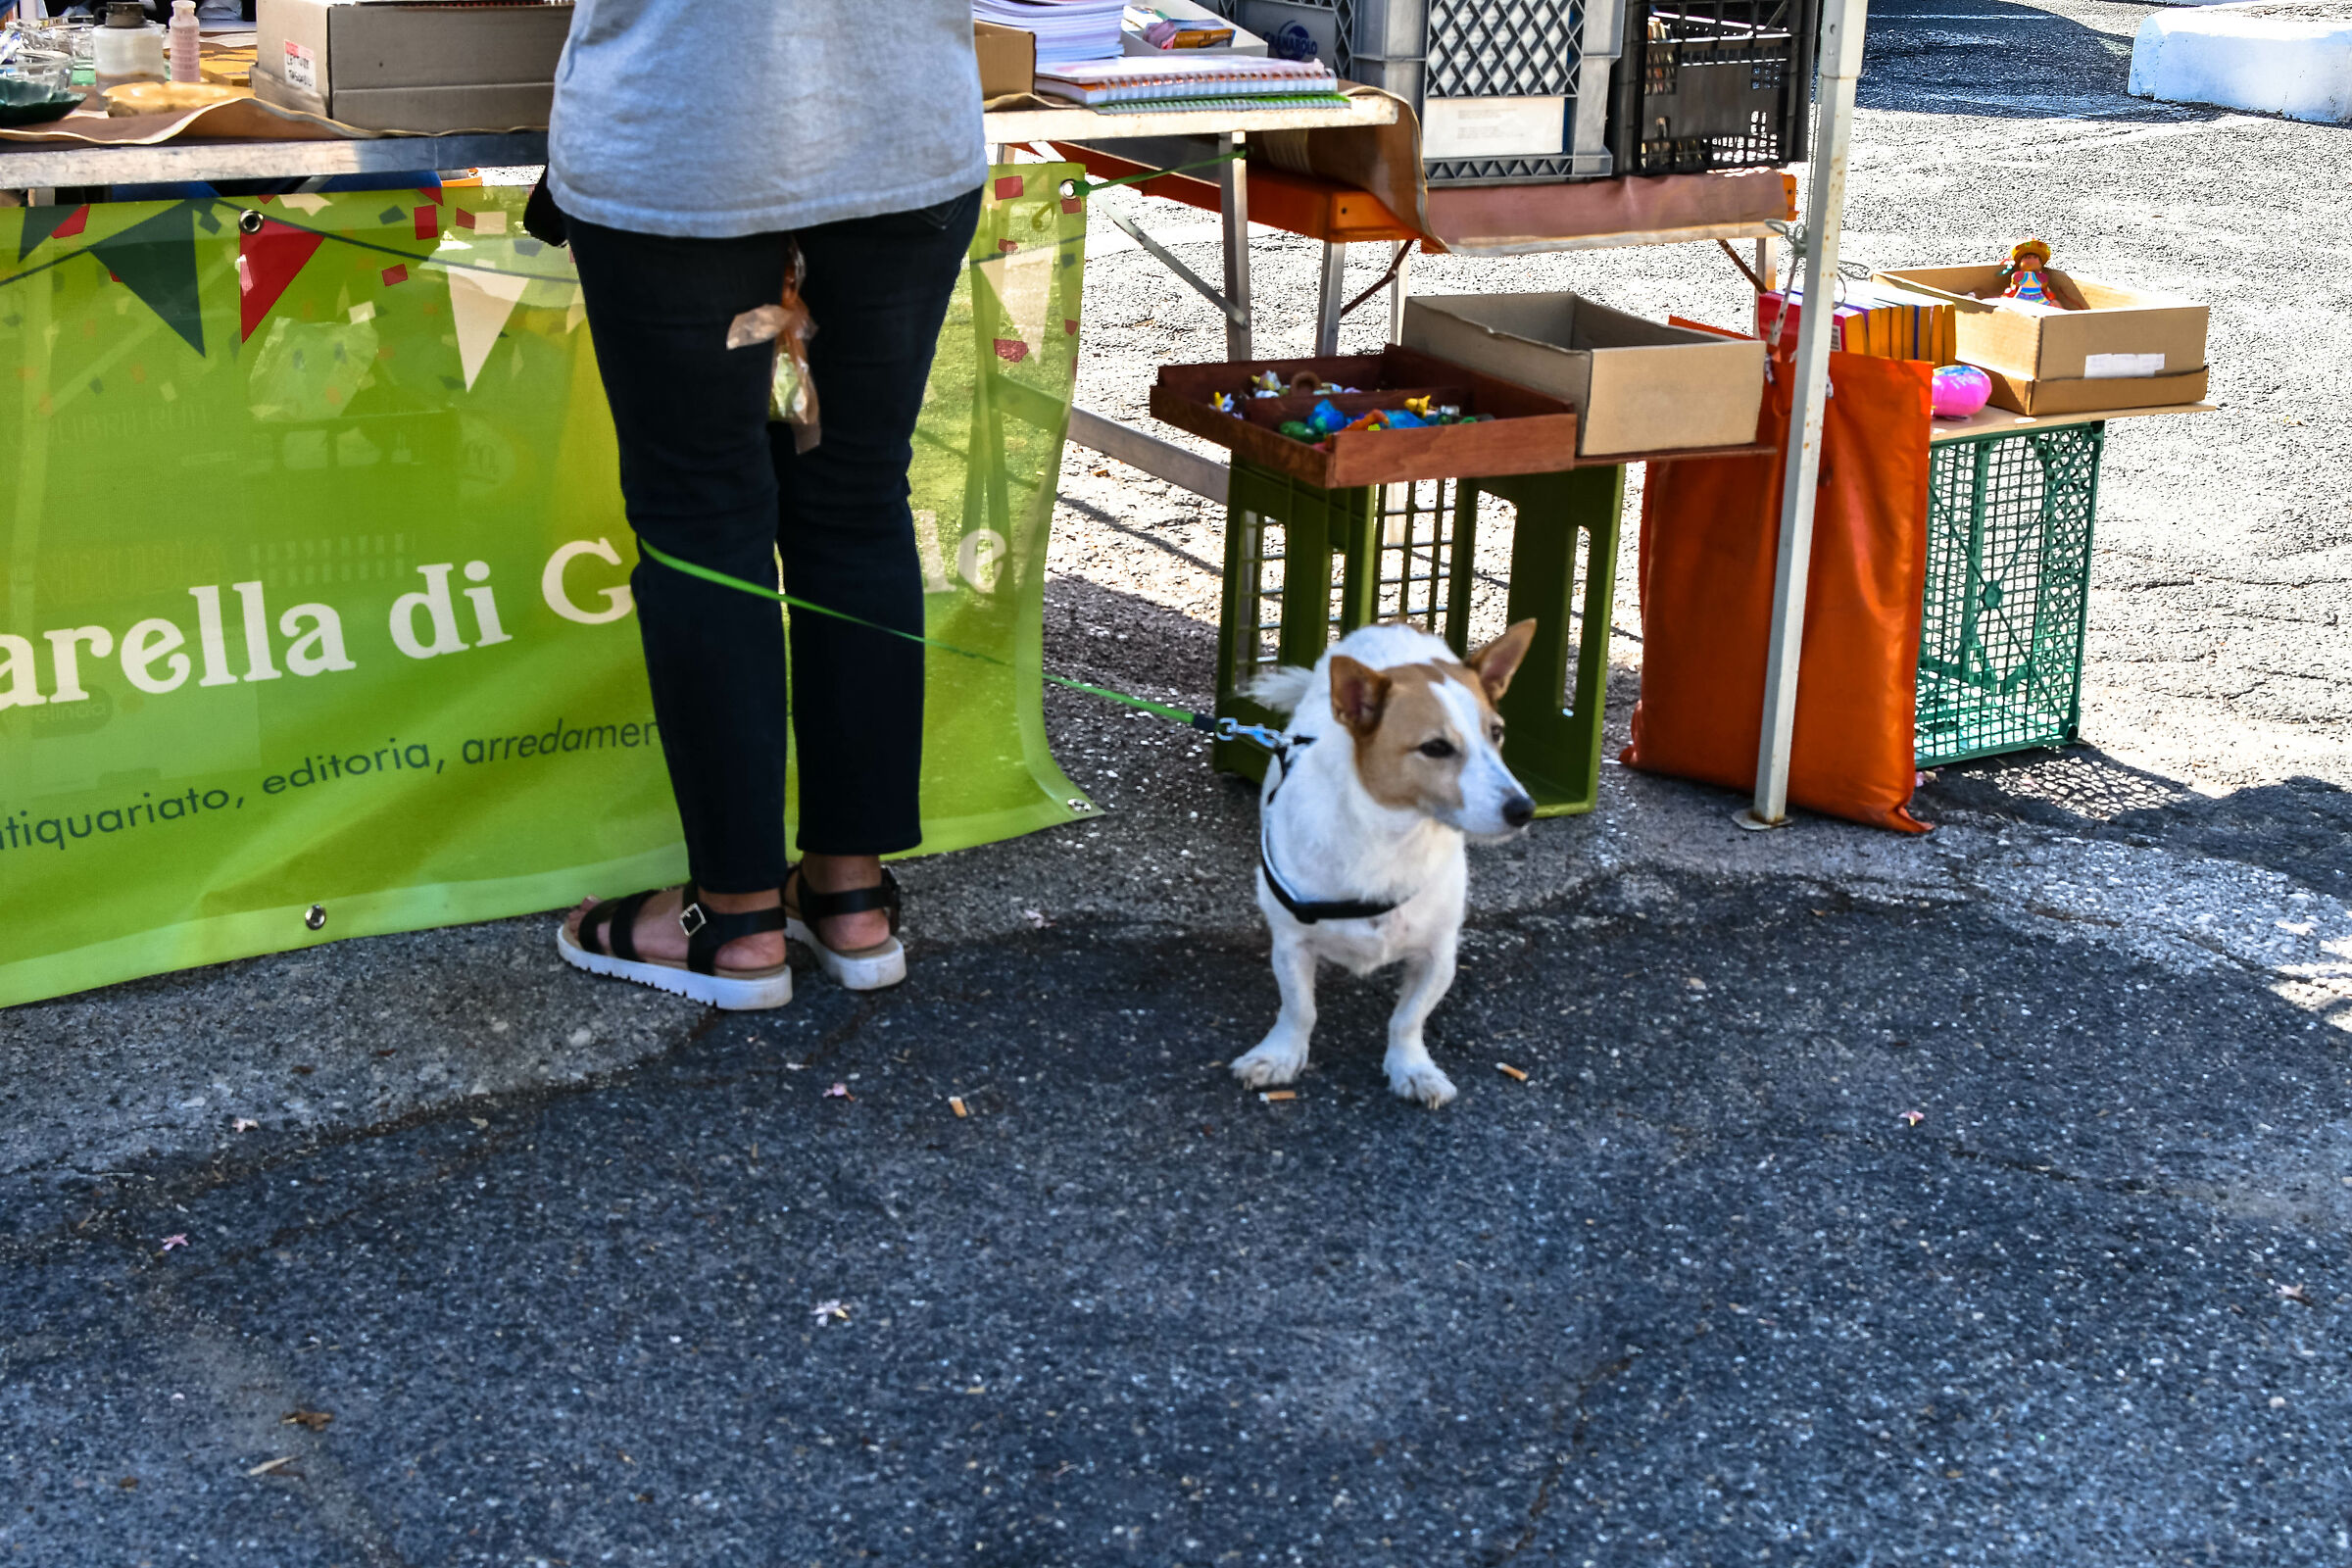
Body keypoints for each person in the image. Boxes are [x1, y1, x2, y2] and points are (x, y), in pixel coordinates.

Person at [546, 1, 985, 1009]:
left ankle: (733, 917)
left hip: (685, 124)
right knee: (857, 497)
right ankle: (849, 895)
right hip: (898, 122)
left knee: (703, 519)